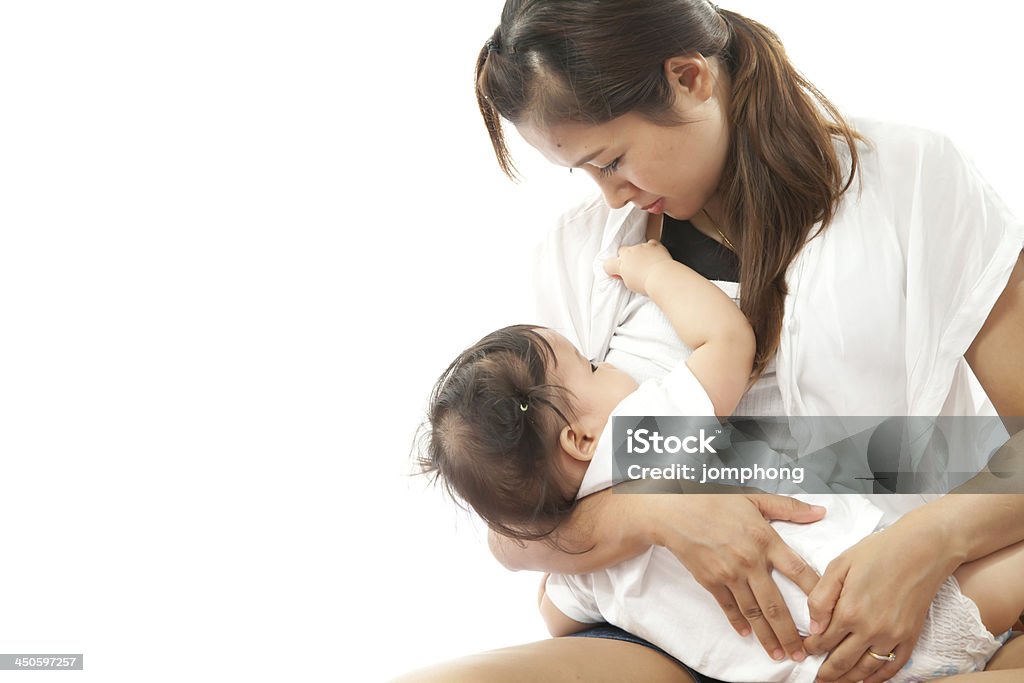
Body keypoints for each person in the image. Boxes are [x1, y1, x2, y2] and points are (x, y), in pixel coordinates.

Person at [396, 2, 1024, 682]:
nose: (611, 197)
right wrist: (653, 512)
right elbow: (519, 518)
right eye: (585, 171)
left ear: (689, 77)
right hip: (698, 638)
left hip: (920, 591)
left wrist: (927, 541)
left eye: (612, 159)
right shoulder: (586, 254)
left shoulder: (913, 177)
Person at [416, 240, 1021, 683]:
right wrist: (655, 271)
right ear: (579, 439)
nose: (612, 368)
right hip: (886, 595)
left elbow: (554, 614)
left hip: (814, 668)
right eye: (594, 368)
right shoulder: (639, 435)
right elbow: (727, 340)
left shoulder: (580, 568)